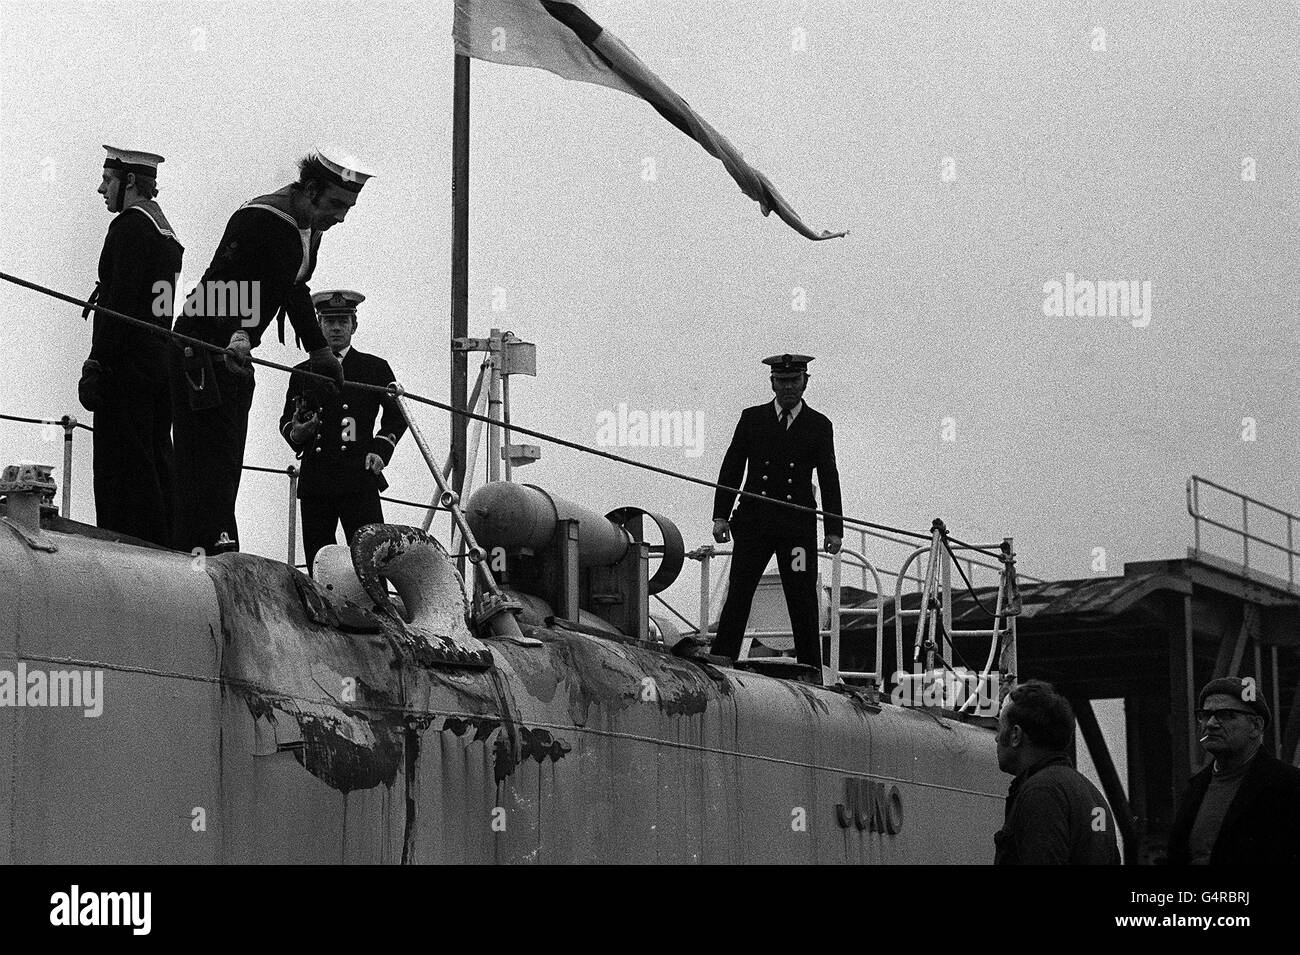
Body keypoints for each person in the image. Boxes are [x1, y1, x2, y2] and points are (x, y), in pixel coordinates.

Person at [170, 146, 372, 555]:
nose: (342, 217)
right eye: (336, 204)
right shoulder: (261, 217)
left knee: (227, 456)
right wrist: (237, 334)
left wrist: (318, 351)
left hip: (234, 351)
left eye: (348, 207)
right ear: (311, 190)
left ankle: (217, 542)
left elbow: (291, 288)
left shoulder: (308, 226)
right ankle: (199, 546)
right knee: (204, 456)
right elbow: (224, 283)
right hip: (203, 346)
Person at [708, 354, 842, 672]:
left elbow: (828, 476)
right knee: (740, 589)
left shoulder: (819, 426)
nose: (788, 387)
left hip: (796, 529)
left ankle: (810, 666)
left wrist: (833, 528)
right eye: (782, 381)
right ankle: (722, 657)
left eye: (794, 380)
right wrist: (720, 515)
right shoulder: (752, 419)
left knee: (802, 595)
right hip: (755, 524)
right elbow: (732, 467)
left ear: (805, 382)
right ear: (772, 383)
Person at [78, 146, 183, 547]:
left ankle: (125, 550)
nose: (101, 188)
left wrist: (96, 364)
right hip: (158, 364)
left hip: (126, 368)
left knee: (120, 466)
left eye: (108, 181)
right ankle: (161, 548)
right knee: (156, 463)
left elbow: (118, 305)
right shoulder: (167, 236)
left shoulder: (128, 227)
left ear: (131, 183)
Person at [279, 290, 407, 571]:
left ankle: (377, 610)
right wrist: (297, 433)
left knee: (372, 563)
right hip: (317, 482)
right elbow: (286, 422)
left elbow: (398, 416)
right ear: (318, 325)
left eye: (342, 321)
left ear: (354, 326)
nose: (336, 328)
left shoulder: (374, 368)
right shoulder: (302, 372)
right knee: (319, 563)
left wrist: (380, 449)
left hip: (358, 480)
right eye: (328, 321)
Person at [1167, 676, 1300, 865]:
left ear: (1256, 726)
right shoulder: (1195, 788)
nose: (1211, 723)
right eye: (1204, 714)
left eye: (1226, 714)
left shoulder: (1289, 786)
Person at [993, 680, 1121, 865]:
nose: (996, 737)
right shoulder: (1093, 795)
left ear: (1015, 735)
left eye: (1000, 727)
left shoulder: (1041, 792)